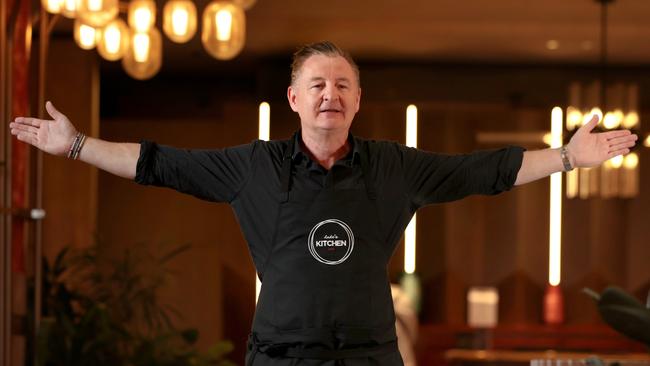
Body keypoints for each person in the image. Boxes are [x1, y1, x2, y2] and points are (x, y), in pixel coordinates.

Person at [9, 41, 638, 365]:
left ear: (357, 101)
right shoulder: (252, 167)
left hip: (370, 358)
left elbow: (484, 171)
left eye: (342, 85)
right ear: (294, 99)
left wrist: (566, 159)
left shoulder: (395, 166)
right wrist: (77, 146)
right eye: (317, 85)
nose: (329, 95)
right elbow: (155, 162)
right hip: (279, 359)